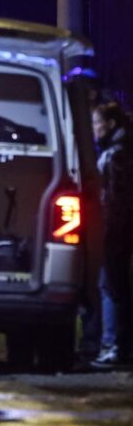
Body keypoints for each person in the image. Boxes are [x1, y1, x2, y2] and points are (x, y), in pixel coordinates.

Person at [93, 102, 133, 366]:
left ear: (110, 124)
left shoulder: (115, 156)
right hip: (121, 230)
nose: (94, 129)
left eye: (96, 123)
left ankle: (113, 346)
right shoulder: (120, 151)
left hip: (117, 231)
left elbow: (116, 201)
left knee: (112, 287)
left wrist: (107, 232)